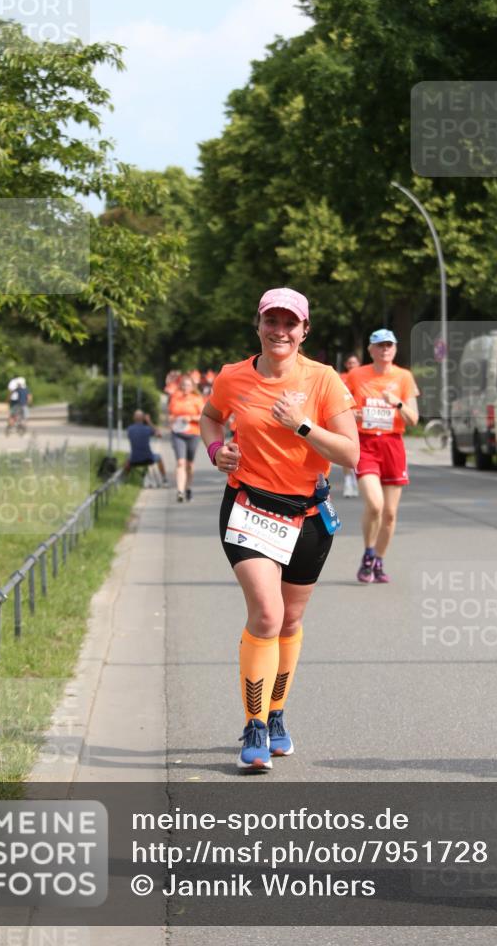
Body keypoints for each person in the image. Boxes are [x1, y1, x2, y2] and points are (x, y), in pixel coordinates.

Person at [200, 288, 358, 772]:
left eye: (291, 323)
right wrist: (215, 450)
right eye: (272, 321)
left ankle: (276, 712)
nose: (280, 331)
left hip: (308, 517)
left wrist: (303, 426)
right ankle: (254, 726)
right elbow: (210, 418)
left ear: (304, 331)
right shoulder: (233, 377)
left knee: (289, 623)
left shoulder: (324, 380)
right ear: (259, 324)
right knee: (266, 616)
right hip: (248, 509)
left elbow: (350, 455)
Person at [344, 328, 419, 584]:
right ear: (371, 350)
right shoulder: (356, 375)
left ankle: (378, 560)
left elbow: (413, 418)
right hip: (365, 443)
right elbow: (340, 407)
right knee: (375, 505)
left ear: (395, 349)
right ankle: (368, 552)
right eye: (380, 345)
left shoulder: (404, 377)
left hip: (392, 445)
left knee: (389, 513)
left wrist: (397, 402)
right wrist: (351, 414)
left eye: (389, 345)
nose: (385, 349)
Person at [167, 374, 204, 502]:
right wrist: (171, 420)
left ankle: (188, 488)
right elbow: (171, 414)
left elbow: (204, 417)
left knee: (189, 464)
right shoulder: (175, 398)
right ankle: (180, 491)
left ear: (192, 386)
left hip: (193, 433)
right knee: (180, 462)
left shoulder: (197, 399)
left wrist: (191, 418)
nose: (185, 387)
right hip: (177, 433)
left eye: (187, 385)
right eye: (183, 384)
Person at [124, 410, 168, 485]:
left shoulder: (130, 429)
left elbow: (129, 437)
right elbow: (159, 434)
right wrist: (149, 421)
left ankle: (125, 479)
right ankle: (164, 479)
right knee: (159, 457)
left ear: (134, 418)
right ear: (143, 418)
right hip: (148, 458)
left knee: (127, 457)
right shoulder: (148, 429)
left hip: (134, 460)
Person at [340, 354, 361, 497]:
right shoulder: (342, 378)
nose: (352, 365)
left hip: (364, 420)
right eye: (350, 363)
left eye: (354, 363)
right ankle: (348, 481)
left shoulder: (364, 377)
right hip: (348, 419)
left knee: (360, 454)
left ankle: (358, 478)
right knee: (347, 452)